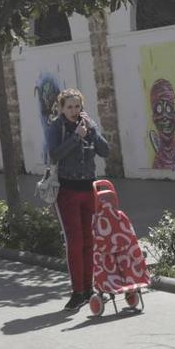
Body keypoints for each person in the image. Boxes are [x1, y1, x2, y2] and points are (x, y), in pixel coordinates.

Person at [45, 89, 111, 311]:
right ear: (62, 108)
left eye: (77, 106)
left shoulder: (87, 124)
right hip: (67, 190)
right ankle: (77, 291)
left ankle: (89, 288)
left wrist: (92, 131)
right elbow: (53, 155)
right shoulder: (57, 127)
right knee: (74, 242)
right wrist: (76, 138)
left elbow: (105, 151)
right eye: (70, 107)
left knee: (89, 240)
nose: (74, 111)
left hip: (88, 188)